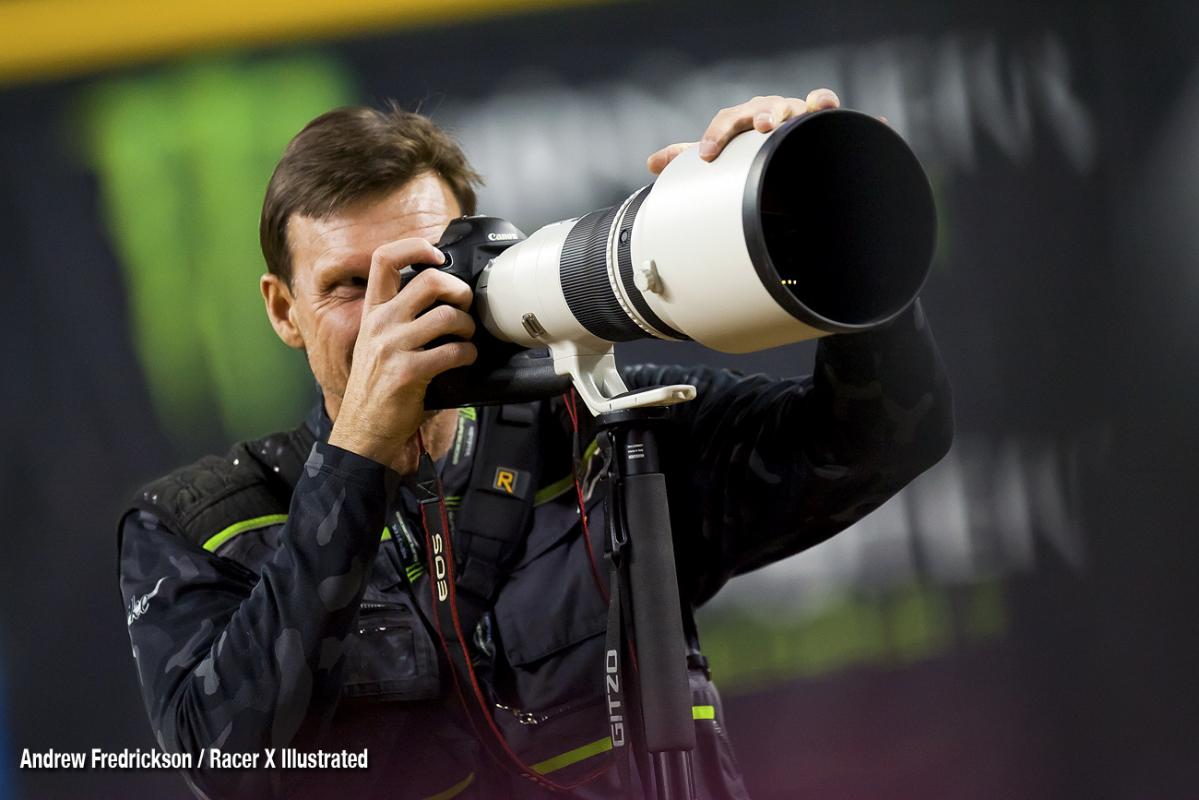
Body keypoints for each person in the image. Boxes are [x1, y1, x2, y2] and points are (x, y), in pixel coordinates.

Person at [118, 89, 953, 800]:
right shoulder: (201, 524)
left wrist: (835, 221)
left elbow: (883, 439)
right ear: (281, 309)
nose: (392, 313)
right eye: (346, 285)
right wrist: (359, 455)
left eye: (420, 271)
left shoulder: (610, 430)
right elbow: (230, 762)